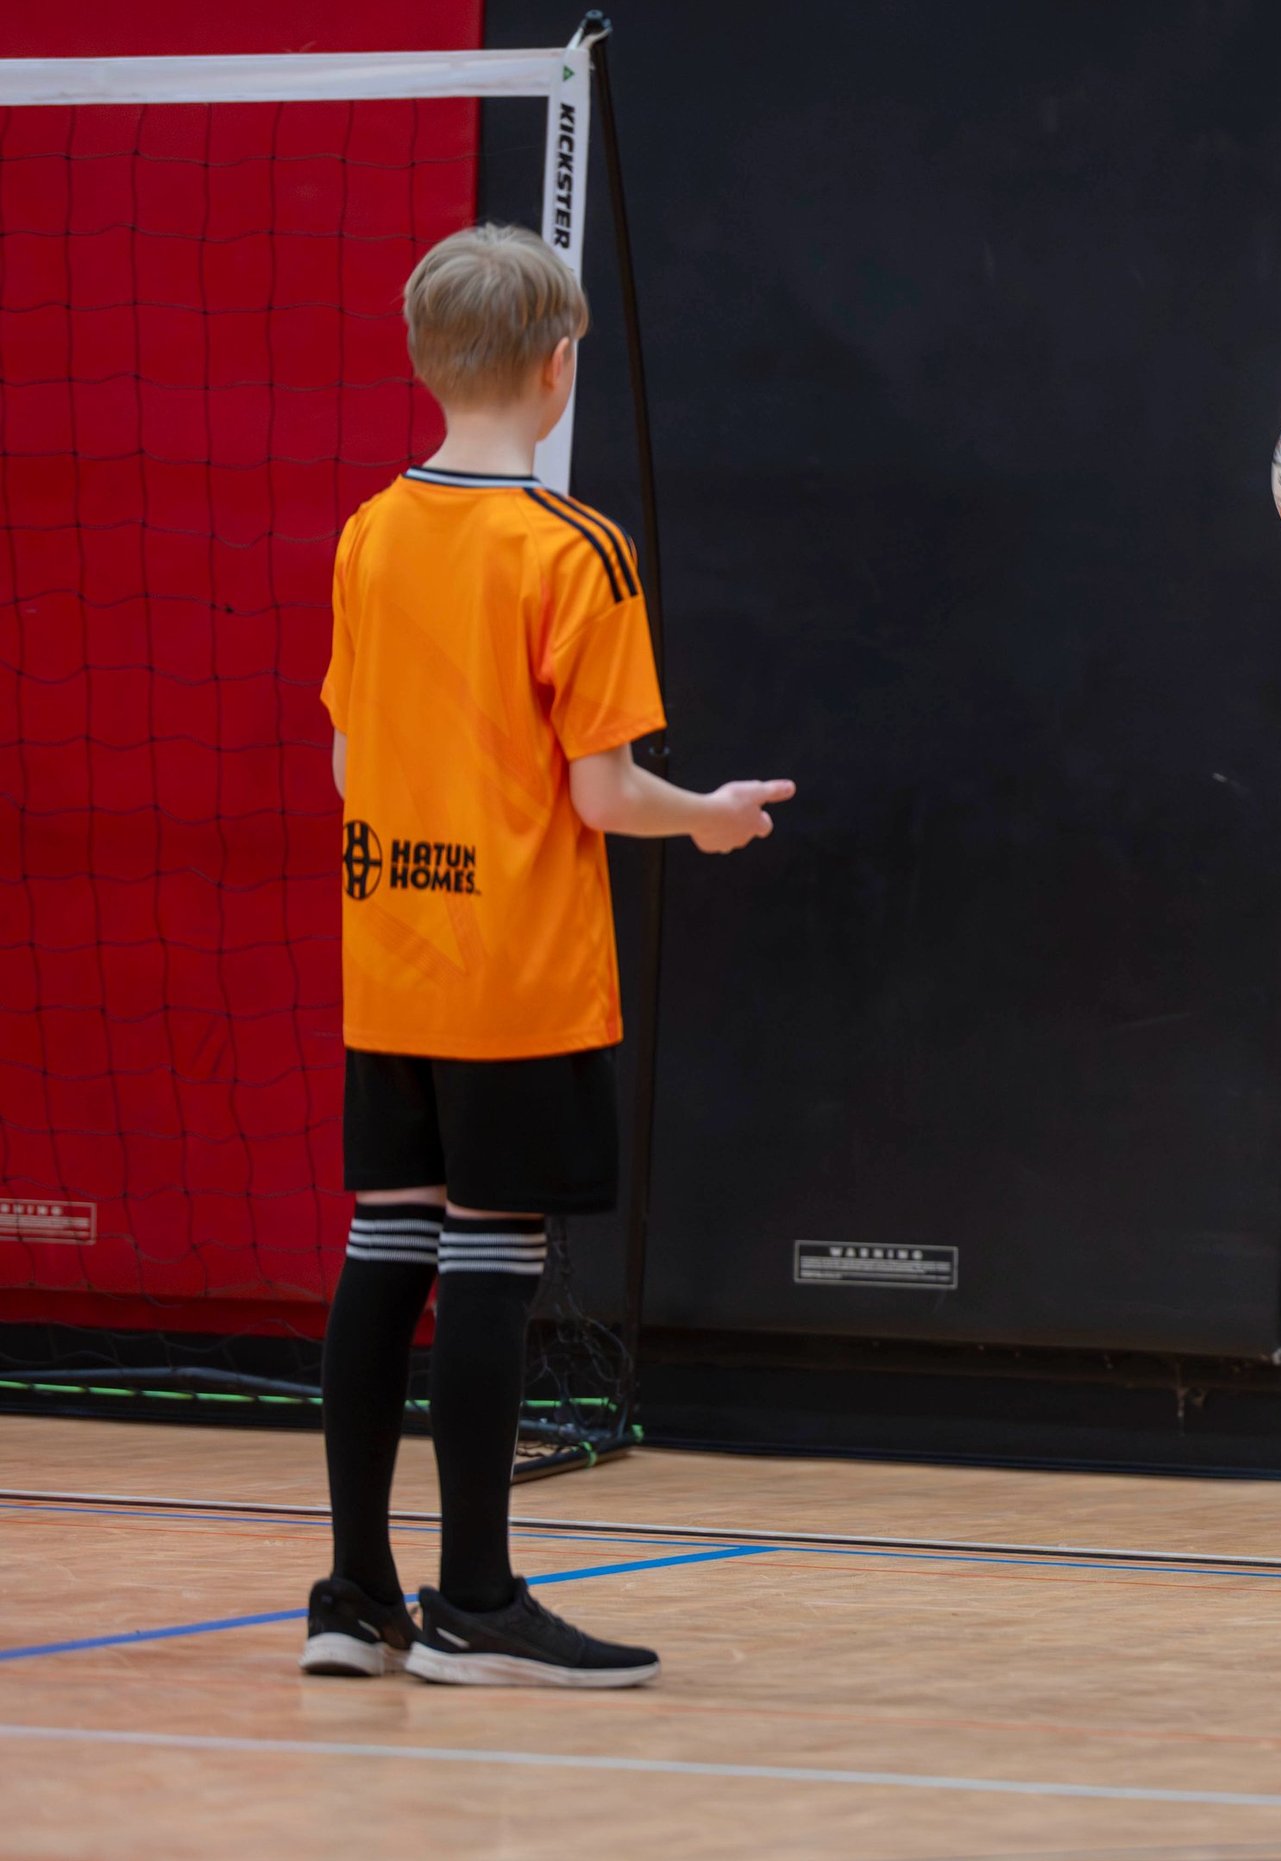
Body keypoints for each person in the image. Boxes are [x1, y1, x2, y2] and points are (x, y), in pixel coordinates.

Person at [302, 224, 793, 1687]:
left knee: (385, 1250)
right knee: (495, 1257)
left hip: (389, 954)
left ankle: (351, 1595)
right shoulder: (574, 548)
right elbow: (600, 791)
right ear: (558, 362)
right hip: (514, 972)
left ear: (426, 357)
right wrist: (704, 819)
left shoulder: (369, 531)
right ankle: (475, 1599)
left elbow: (346, 760)